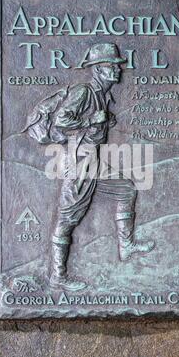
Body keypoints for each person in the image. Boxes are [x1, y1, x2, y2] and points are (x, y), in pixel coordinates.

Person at [48, 43, 155, 291]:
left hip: (93, 160)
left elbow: (98, 123)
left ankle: (126, 246)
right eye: (111, 66)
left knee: (126, 189)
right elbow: (61, 120)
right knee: (68, 218)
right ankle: (58, 276)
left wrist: (106, 121)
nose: (118, 70)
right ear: (97, 70)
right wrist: (91, 120)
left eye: (117, 65)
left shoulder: (103, 95)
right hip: (79, 162)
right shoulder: (83, 92)